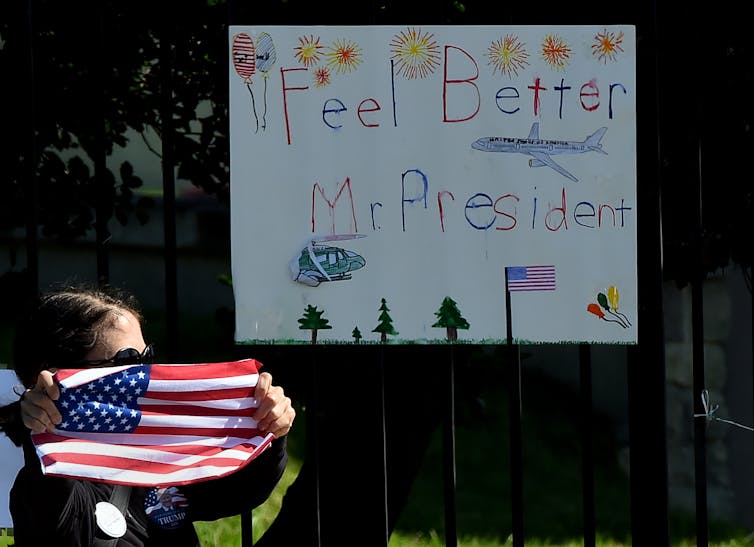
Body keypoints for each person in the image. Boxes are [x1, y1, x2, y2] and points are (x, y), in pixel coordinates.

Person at [0, 283, 295, 545]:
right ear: (62, 375)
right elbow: (56, 520)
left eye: (146, 358)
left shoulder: (158, 445)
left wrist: (267, 426)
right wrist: (44, 425)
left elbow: (239, 491)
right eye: (127, 361)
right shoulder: (44, 484)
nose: (144, 373)